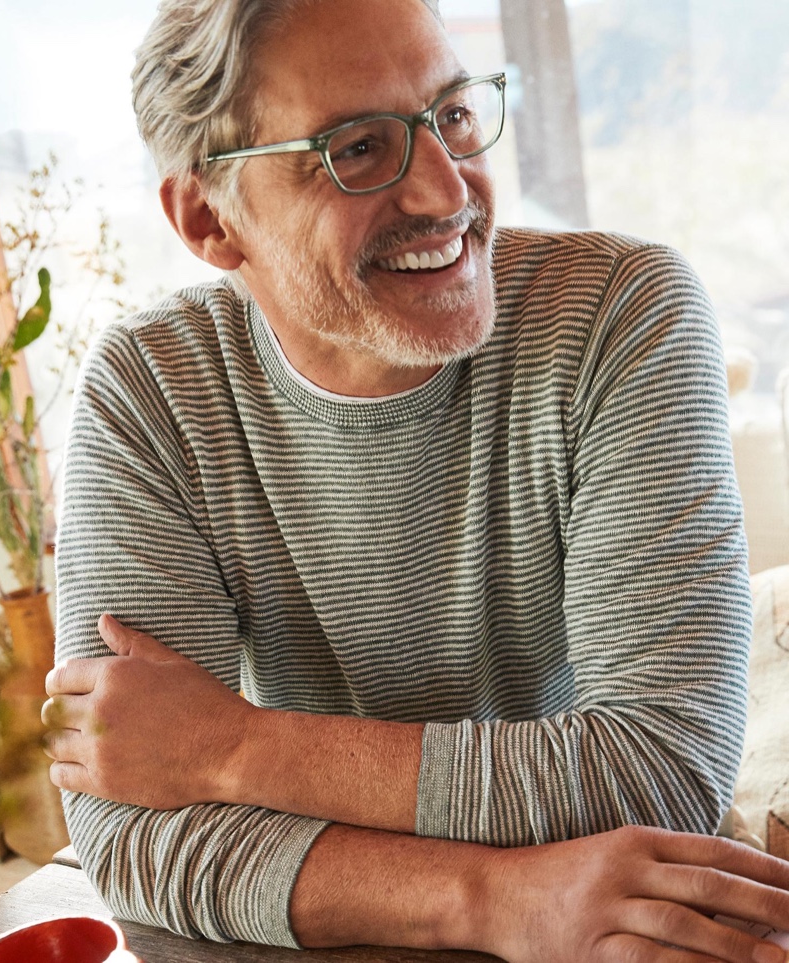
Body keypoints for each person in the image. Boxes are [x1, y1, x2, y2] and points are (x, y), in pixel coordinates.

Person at [42, 0, 789, 960]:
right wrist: (493, 897)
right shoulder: (151, 392)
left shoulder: (622, 316)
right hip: (513, 908)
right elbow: (126, 828)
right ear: (208, 218)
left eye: (453, 115)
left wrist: (231, 749)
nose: (446, 192)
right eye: (356, 148)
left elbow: (658, 770)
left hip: (616, 925)